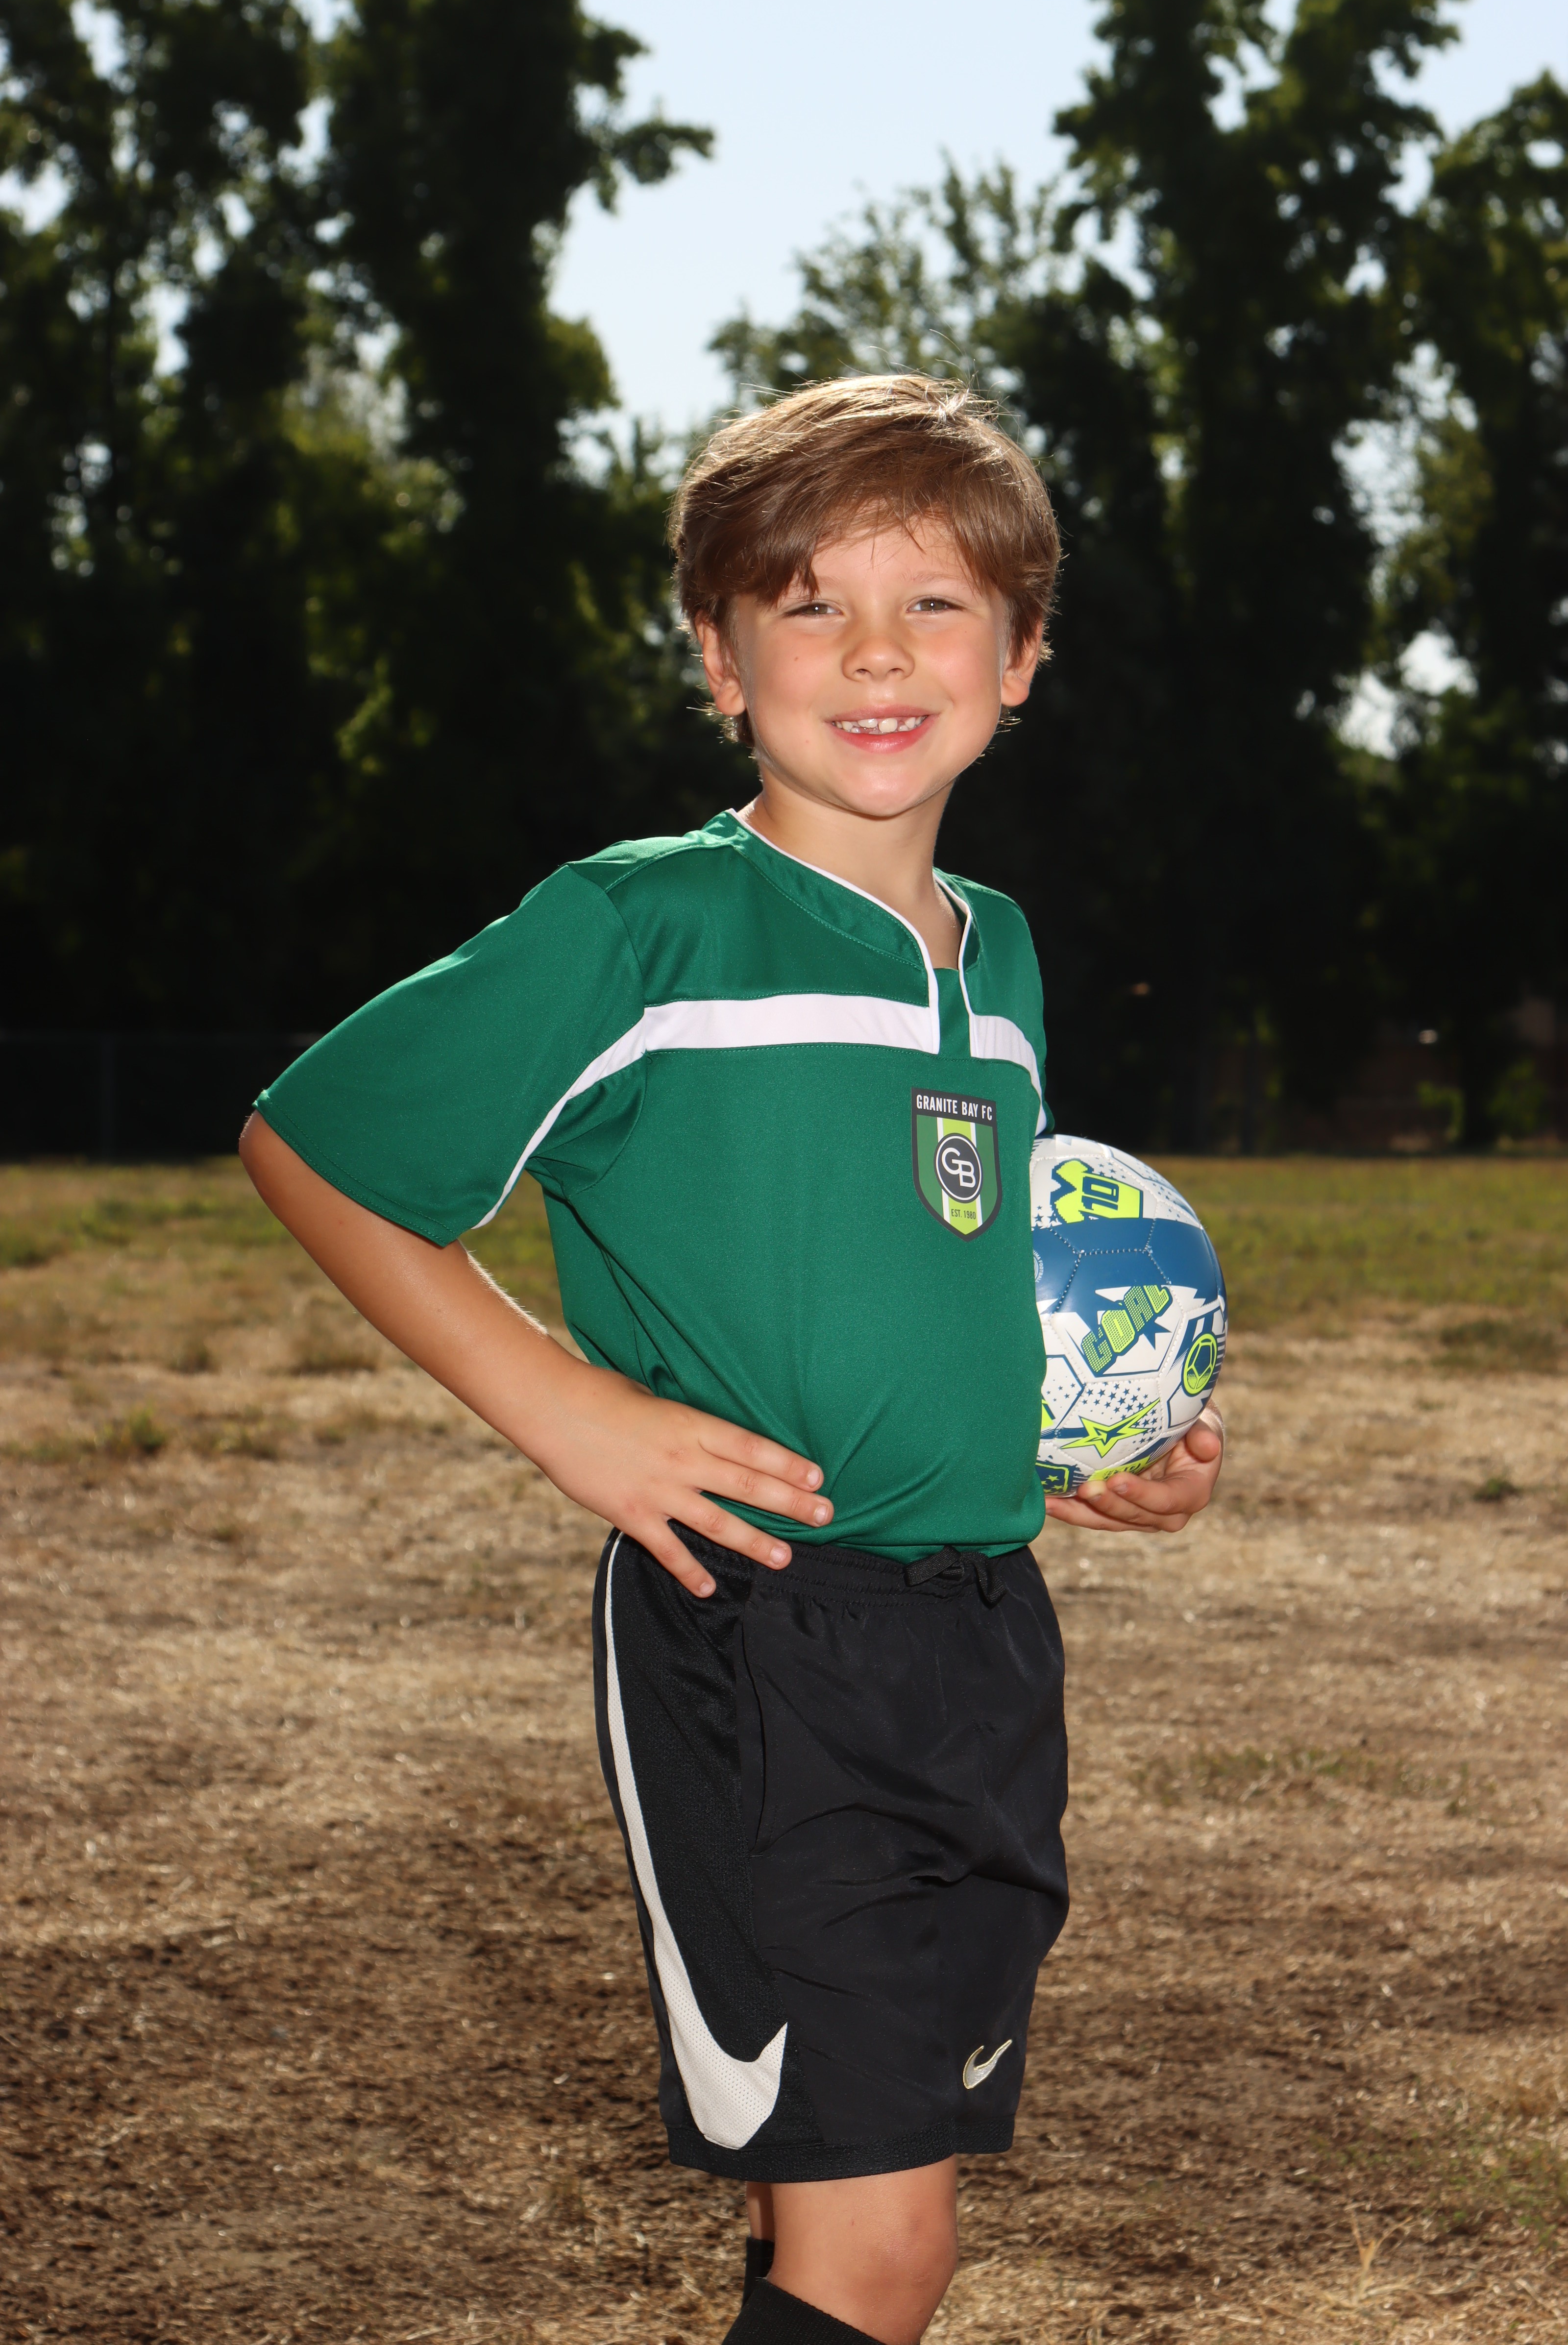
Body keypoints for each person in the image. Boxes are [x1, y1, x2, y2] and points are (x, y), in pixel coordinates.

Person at [239, 374, 1224, 2345]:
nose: (877, 653)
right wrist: (572, 1413)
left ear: (1023, 655)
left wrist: (1087, 1436)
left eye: (935, 604)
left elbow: (945, 1255)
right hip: (759, 1635)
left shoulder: (1000, 957)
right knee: (875, 2252)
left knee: (860, 2221)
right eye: (808, 604)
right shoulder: (647, 928)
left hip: (983, 1645)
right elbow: (316, 1148)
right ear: (717, 658)